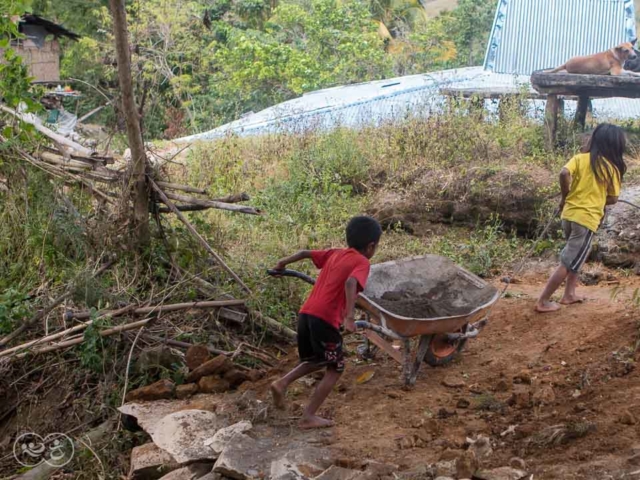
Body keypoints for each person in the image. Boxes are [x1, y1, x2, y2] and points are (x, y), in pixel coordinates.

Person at [270, 216, 382, 428]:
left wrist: (282, 264)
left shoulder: (335, 253)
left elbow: (304, 253)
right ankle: (308, 416)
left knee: (317, 359)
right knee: (336, 367)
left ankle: (282, 382)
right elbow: (351, 283)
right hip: (325, 319)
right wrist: (349, 317)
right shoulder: (362, 262)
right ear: (371, 246)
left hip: (306, 314)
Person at [536, 123, 627, 313]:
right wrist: (600, 197)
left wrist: (565, 196)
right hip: (586, 220)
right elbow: (613, 198)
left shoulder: (579, 158)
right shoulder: (612, 169)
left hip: (568, 215)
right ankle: (543, 301)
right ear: (616, 146)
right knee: (569, 261)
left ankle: (569, 294)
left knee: (577, 256)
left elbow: (563, 173)